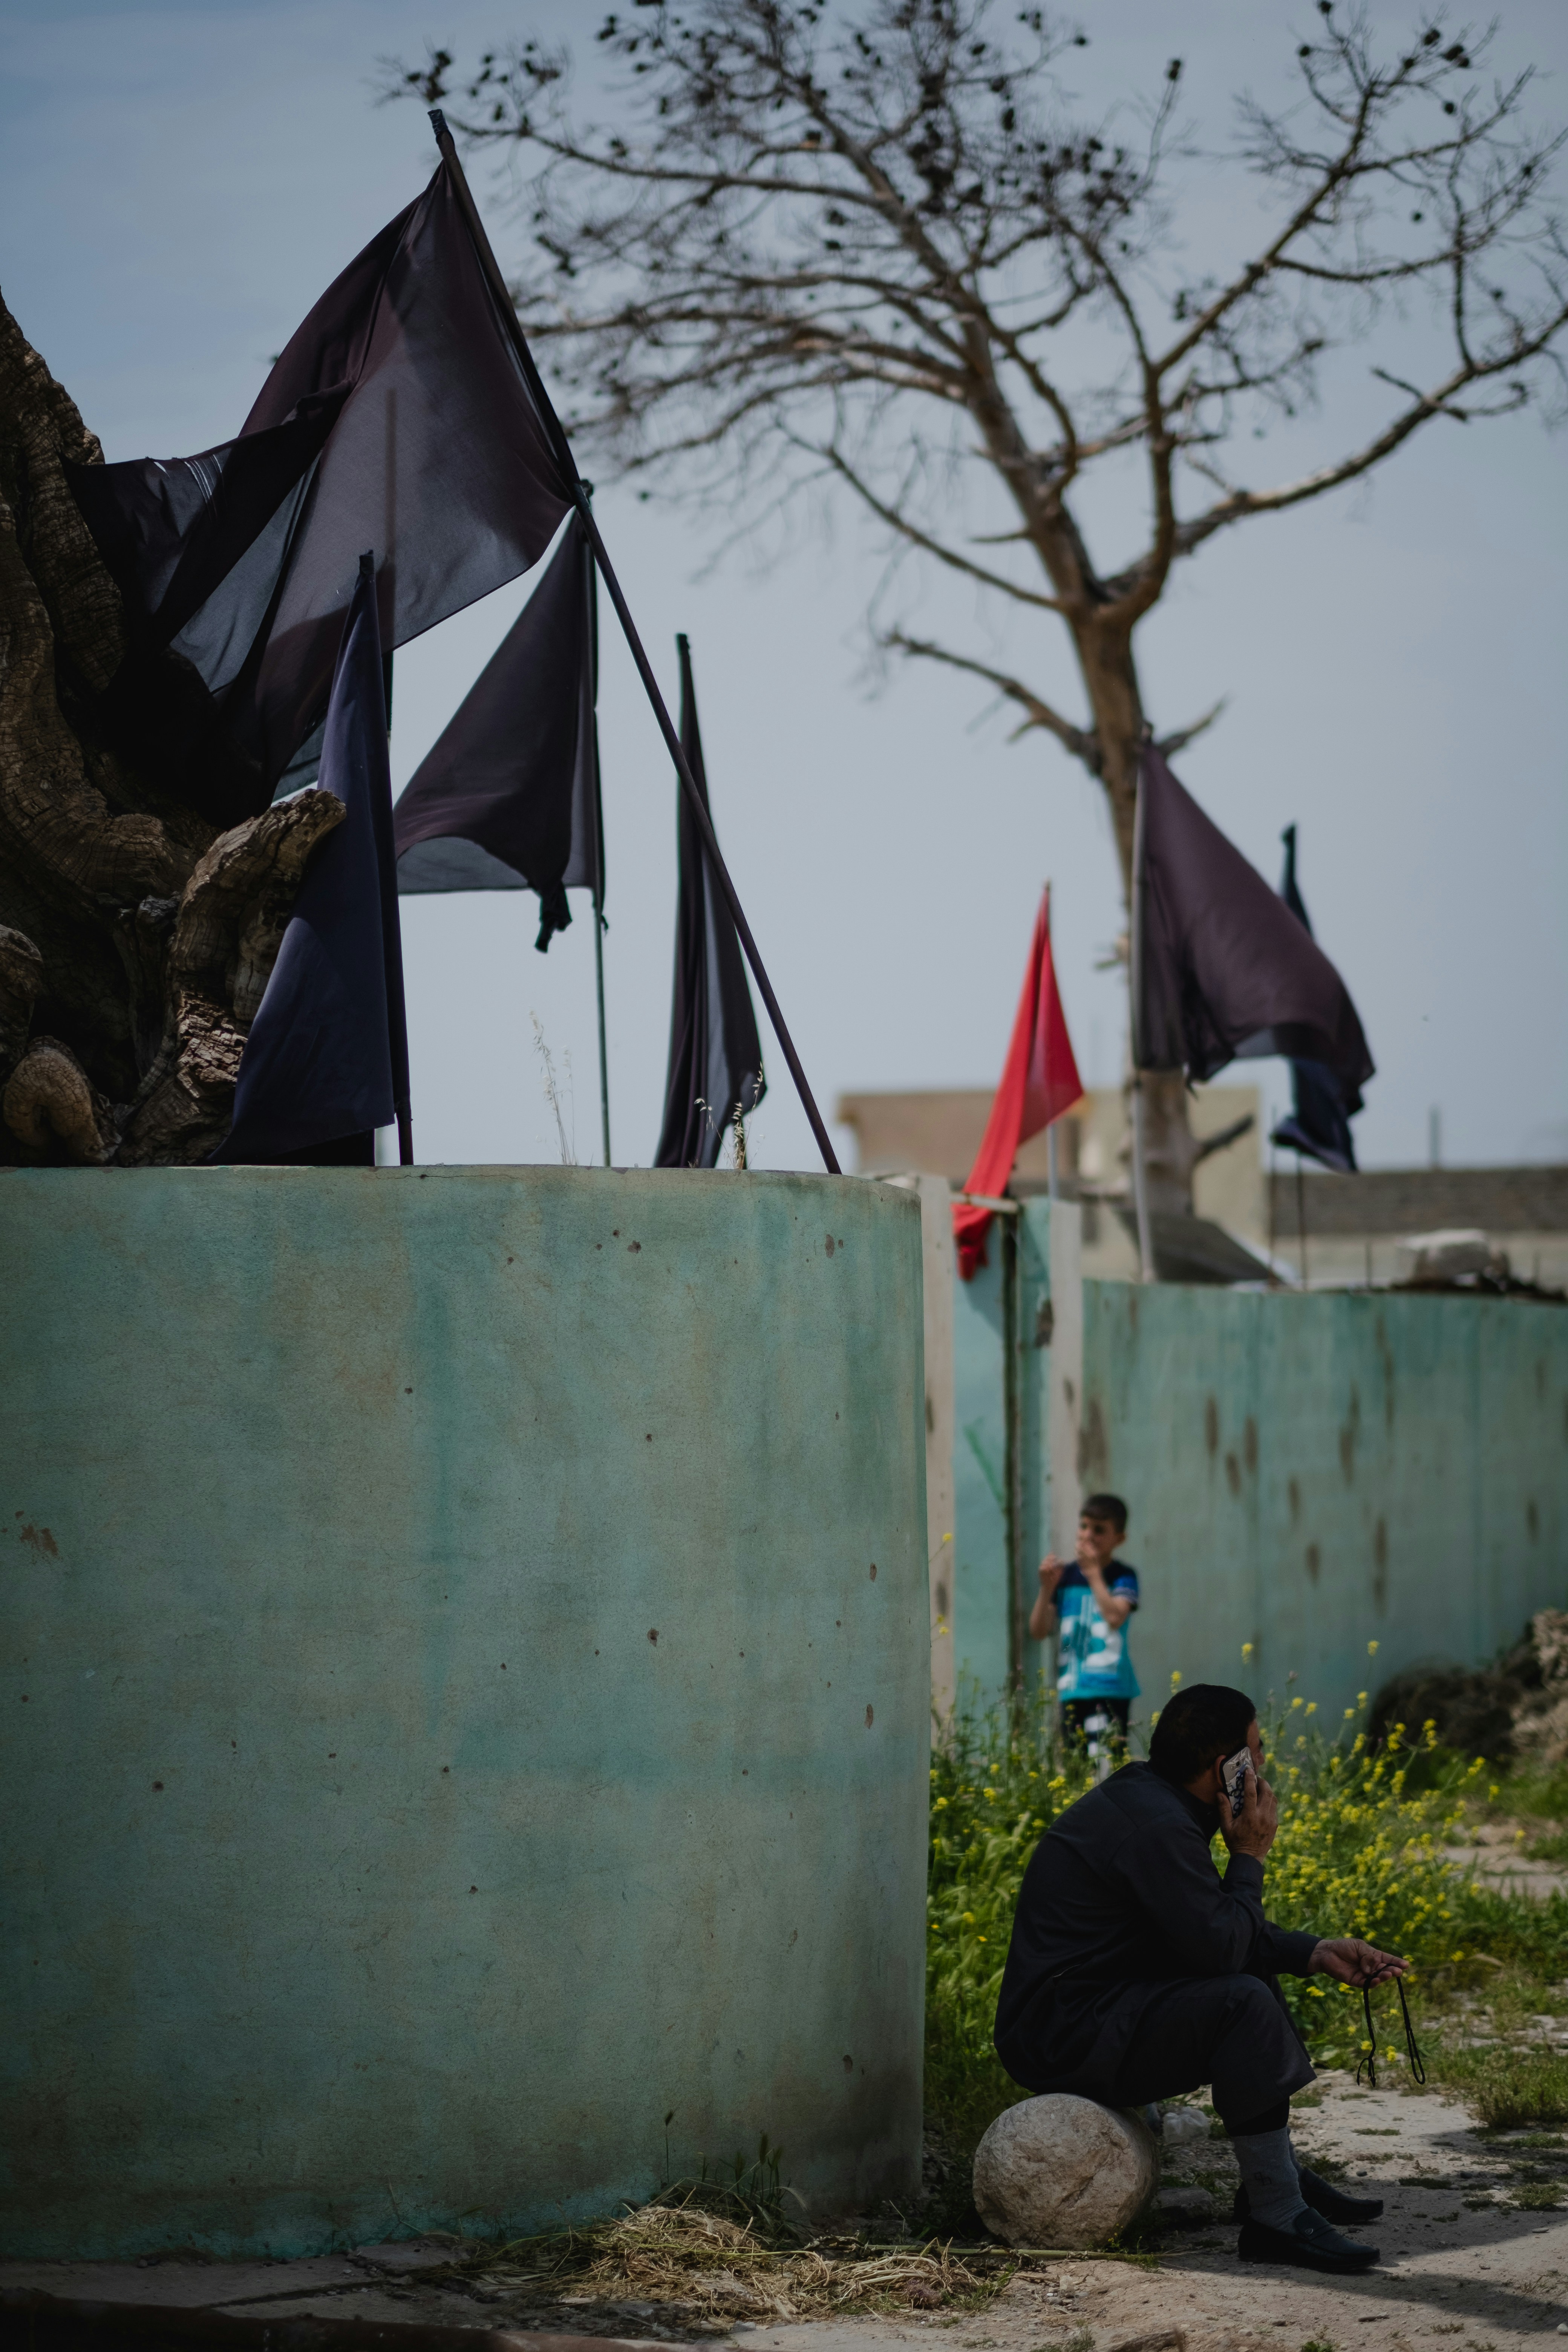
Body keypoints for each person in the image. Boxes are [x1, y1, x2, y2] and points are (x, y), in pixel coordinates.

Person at [993, 1681, 1408, 2274]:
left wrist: (1317, 1952)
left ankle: (1274, 2181)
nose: (1264, 1767)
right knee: (1241, 1999)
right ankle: (1276, 2215)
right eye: (1257, 1754)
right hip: (1063, 2037)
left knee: (1250, 1976)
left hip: (1093, 2013)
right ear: (1226, 1768)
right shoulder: (1156, 1825)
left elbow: (1207, 1929)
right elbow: (1219, 1948)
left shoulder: (1154, 1800)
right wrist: (1251, 1855)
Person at [1030, 1494, 1139, 1753]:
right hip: (1072, 1688)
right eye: (1084, 1526)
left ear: (1119, 1539)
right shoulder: (1066, 1577)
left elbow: (1115, 1617)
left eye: (1099, 1530)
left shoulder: (1124, 1576)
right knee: (1076, 1769)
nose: (1088, 1535)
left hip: (1109, 1688)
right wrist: (1047, 1589)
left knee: (1105, 1767)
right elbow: (1038, 1630)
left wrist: (1093, 1574)